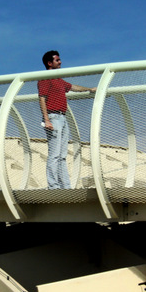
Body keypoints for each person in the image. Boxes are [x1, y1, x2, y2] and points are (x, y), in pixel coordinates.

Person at [38, 50, 96, 189]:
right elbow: (42, 98)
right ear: (49, 63)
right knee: (54, 154)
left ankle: (65, 186)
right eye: (57, 60)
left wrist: (89, 89)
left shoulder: (59, 80)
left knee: (62, 154)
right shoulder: (45, 78)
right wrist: (47, 119)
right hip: (53, 117)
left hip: (62, 118)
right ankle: (53, 186)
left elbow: (73, 87)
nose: (60, 62)